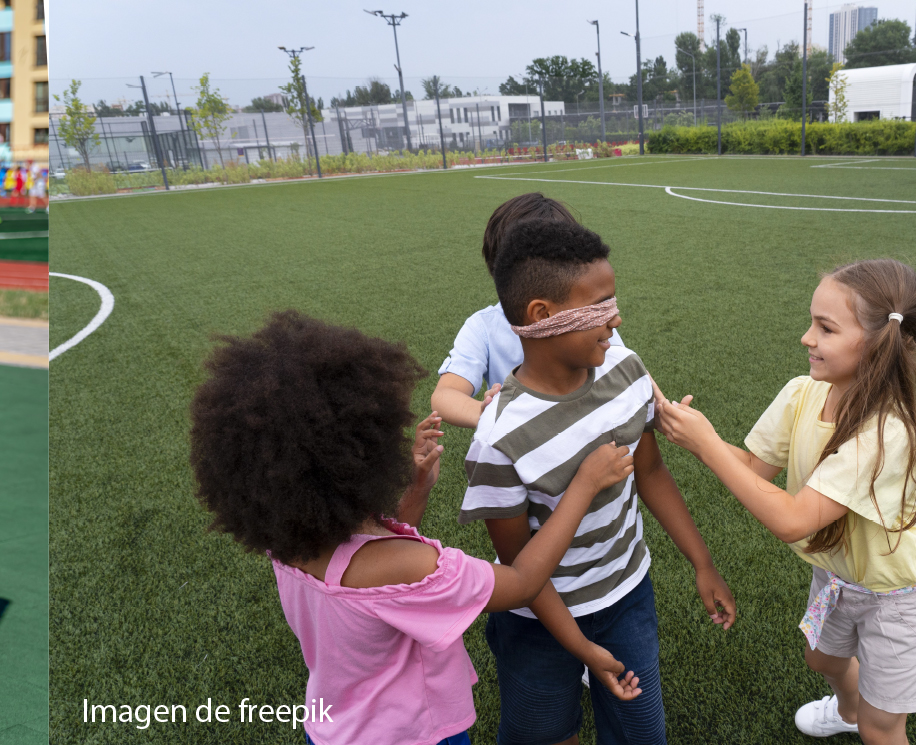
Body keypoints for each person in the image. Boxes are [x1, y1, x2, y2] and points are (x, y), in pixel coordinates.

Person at [191, 310, 617, 745]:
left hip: (332, 730)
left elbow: (369, 563)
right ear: (362, 456)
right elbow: (523, 583)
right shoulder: (414, 566)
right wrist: (584, 486)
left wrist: (414, 493)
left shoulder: (285, 543)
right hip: (417, 734)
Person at [460, 217, 736, 745]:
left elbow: (651, 471)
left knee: (640, 733)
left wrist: (702, 562)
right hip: (537, 624)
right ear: (541, 315)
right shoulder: (498, 440)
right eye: (600, 306)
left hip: (627, 595)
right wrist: (581, 649)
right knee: (545, 733)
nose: (616, 319)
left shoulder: (626, 369)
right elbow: (520, 568)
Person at [651, 259, 916, 743]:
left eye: (825, 328)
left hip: (897, 597)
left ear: (877, 343)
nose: (807, 338)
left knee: (883, 727)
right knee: (822, 658)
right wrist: (692, 436)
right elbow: (752, 468)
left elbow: (793, 520)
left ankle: (864, 719)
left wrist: (706, 444)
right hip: (837, 577)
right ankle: (848, 711)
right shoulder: (803, 393)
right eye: (812, 322)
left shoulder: (885, 433)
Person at [430, 193, 620, 429]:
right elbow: (445, 394)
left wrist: (661, 407)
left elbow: (623, 367)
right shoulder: (484, 326)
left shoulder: (592, 319)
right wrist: (493, 415)